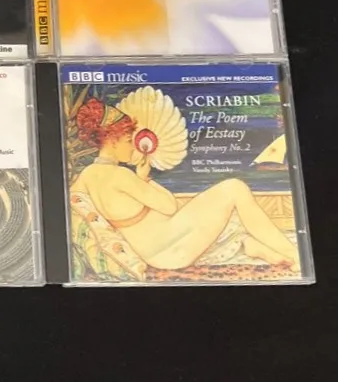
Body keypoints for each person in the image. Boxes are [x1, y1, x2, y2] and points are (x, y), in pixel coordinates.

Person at [71, 97, 300, 271]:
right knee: (235, 188)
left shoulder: (87, 174)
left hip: (158, 249)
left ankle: (253, 247)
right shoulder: (119, 175)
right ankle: (292, 252)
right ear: (112, 140)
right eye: (128, 140)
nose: (132, 147)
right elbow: (169, 206)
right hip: (168, 250)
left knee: (228, 221)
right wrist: (146, 178)